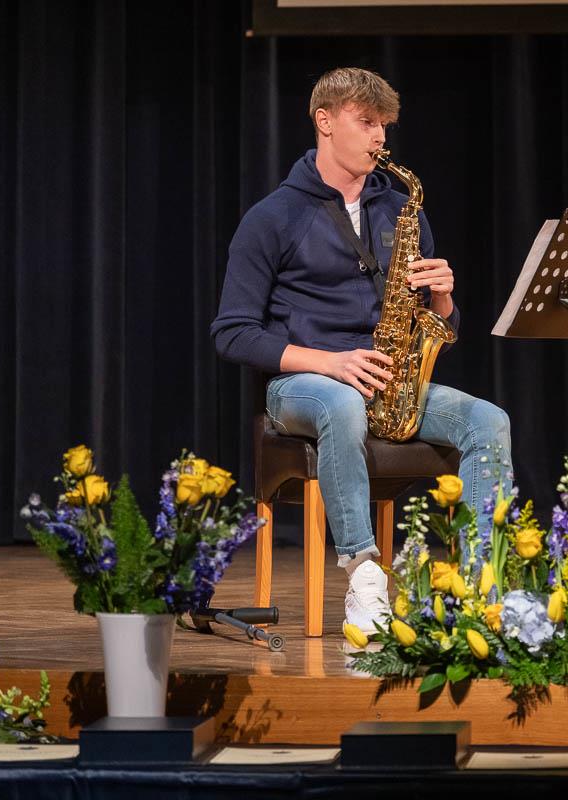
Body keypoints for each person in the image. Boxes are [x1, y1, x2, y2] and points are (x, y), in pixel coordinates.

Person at [211, 67, 512, 634]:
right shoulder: (272, 217)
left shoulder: (401, 210)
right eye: (367, 122)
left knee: (488, 421)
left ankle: (480, 586)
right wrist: (328, 362)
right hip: (303, 384)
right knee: (342, 403)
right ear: (324, 122)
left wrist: (443, 299)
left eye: (385, 126)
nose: (379, 137)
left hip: (389, 381)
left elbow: (435, 325)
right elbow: (232, 333)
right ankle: (364, 575)